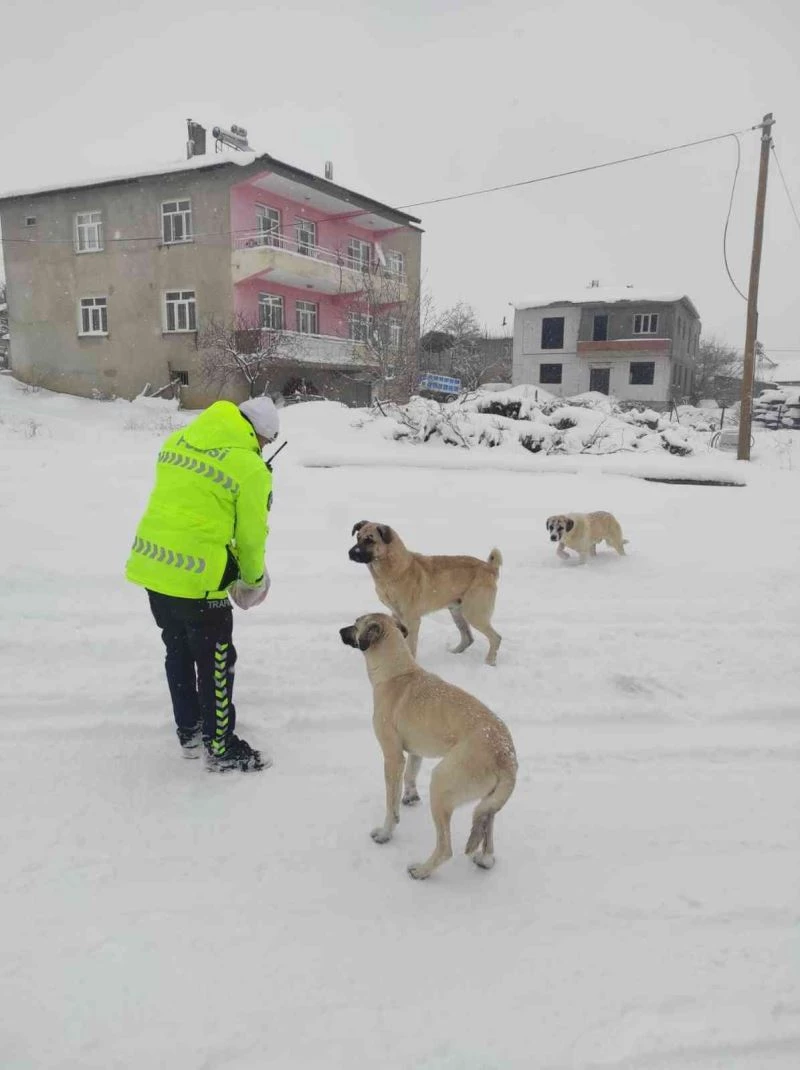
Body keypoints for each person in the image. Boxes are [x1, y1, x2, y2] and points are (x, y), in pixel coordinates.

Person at [126, 396, 279, 772]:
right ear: (259, 434)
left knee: (177, 650)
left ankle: (190, 729)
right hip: (198, 580)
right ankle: (221, 747)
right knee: (217, 662)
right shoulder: (250, 468)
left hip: (154, 568)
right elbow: (251, 538)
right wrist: (252, 580)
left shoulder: (177, 442)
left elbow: (194, 509)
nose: (264, 449)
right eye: (266, 442)